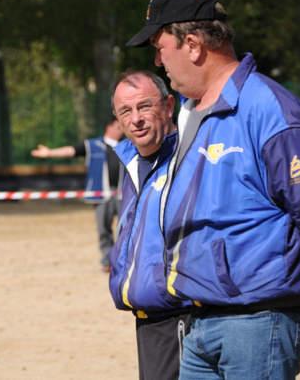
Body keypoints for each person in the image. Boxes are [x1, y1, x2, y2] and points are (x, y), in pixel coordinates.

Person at [125, 0, 300, 379]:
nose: (158, 63)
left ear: (194, 45)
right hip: (201, 322)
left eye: (160, 48)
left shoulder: (268, 108)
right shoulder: (187, 114)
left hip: (258, 323)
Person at [109, 69, 192, 380]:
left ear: (168, 106)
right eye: (125, 111)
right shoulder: (131, 161)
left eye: (144, 106)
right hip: (148, 318)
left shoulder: (189, 155)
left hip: (183, 315)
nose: (136, 119)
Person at [31, 115, 123, 272]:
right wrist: (49, 153)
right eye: (118, 126)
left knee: (126, 228)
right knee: (104, 230)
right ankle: (107, 261)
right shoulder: (93, 145)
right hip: (102, 195)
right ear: (109, 127)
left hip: (123, 195)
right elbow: (71, 150)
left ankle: (124, 261)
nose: (122, 129)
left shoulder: (128, 145)